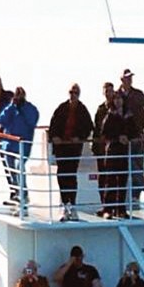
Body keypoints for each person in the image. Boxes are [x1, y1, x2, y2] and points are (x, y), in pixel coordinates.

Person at [46, 83, 93, 221]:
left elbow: (88, 127)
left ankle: (72, 204)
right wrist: (55, 137)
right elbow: (53, 125)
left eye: (76, 92)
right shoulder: (62, 108)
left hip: (73, 148)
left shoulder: (82, 110)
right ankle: (65, 204)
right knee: (61, 174)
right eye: (71, 92)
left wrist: (79, 137)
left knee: (71, 175)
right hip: (62, 148)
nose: (73, 95)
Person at [0, 86, 40, 209]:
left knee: (19, 165)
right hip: (9, 145)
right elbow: (1, 120)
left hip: (23, 144)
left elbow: (32, 121)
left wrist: (22, 109)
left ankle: (24, 194)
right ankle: (17, 193)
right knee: (11, 170)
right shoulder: (11, 108)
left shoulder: (30, 108)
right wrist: (12, 106)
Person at [118, 69, 144, 207]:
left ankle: (136, 196)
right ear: (122, 79)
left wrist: (142, 116)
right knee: (128, 165)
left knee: (138, 164)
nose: (129, 80)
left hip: (138, 134)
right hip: (124, 136)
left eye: (130, 77)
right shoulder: (117, 95)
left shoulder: (137, 94)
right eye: (127, 78)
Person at [100, 93, 134, 218]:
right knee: (111, 181)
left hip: (124, 152)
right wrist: (118, 137)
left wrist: (128, 138)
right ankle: (108, 209)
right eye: (116, 99)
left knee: (122, 181)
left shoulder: (128, 116)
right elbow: (104, 133)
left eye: (120, 99)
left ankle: (121, 209)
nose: (118, 101)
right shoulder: (110, 115)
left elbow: (134, 131)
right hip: (113, 151)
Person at [92, 82, 116, 214]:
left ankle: (114, 206)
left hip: (113, 149)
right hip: (101, 149)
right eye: (106, 91)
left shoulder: (117, 107)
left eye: (110, 91)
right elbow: (97, 128)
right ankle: (105, 205)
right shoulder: (101, 109)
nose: (108, 94)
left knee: (113, 178)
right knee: (102, 178)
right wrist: (95, 146)